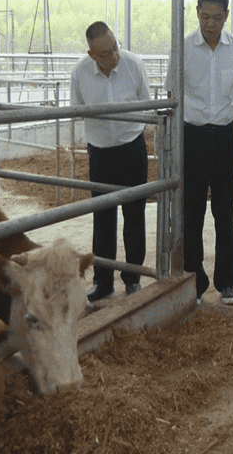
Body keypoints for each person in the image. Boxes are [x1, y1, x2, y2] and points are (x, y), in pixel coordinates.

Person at [71, 21, 152, 303]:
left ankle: (132, 278)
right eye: (105, 53)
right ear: (92, 54)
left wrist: (127, 126)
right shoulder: (80, 72)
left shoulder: (133, 65)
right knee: (103, 218)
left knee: (134, 215)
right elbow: (77, 108)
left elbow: (146, 104)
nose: (113, 56)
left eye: (115, 48)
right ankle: (103, 282)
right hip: (101, 152)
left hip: (132, 148)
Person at [181, 0, 233, 305]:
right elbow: (172, 98)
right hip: (191, 137)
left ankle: (226, 282)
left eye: (217, 17)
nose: (210, 23)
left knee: (224, 211)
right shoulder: (181, 49)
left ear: (226, 16)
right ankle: (194, 281)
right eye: (205, 16)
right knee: (191, 212)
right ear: (196, 12)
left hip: (224, 138)